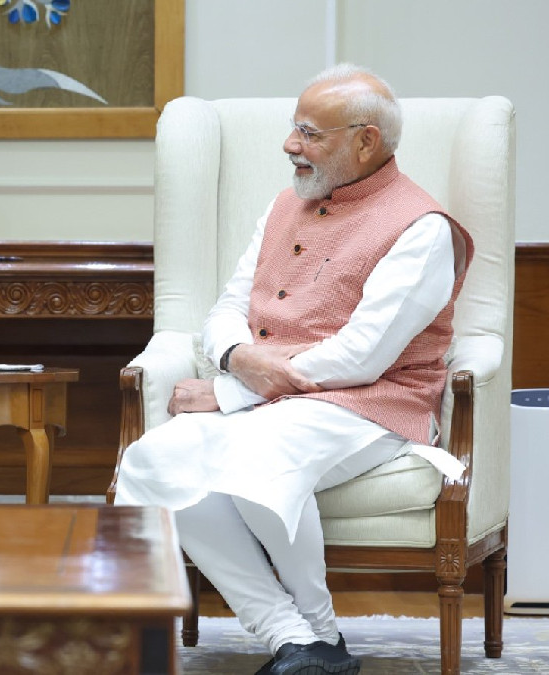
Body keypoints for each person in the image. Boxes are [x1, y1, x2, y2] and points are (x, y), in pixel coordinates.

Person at [114, 63, 472, 675]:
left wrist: (229, 392)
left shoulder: (423, 228)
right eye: (293, 129)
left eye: (310, 133)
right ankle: (297, 639)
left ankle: (321, 635)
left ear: (366, 141)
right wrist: (237, 356)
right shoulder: (288, 203)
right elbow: (229, 304)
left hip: (374, 402)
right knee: (152, 460)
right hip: (277, 399)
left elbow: (364, 355)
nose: (290, 146)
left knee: (255, 460)